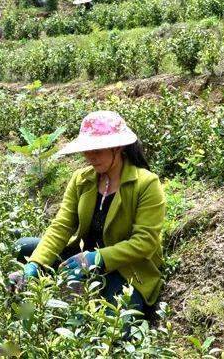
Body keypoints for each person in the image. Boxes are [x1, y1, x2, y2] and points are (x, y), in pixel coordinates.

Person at [9, 111, 166, 317]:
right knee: (25, 248)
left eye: (98, 150)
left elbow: (145, 242)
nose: (90, 156)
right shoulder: (82, 179)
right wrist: (35, 265)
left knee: (118, 324)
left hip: (123, 267)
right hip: (80, 257)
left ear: (117, 147)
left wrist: (98, 258)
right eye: (87, 150)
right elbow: (62, 225)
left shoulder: (146, 184)